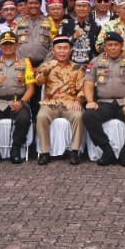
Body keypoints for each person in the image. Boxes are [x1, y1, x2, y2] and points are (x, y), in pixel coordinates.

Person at [83, 31, 125, 168]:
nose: (112, 48)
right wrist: (90, 101)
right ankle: (107, 150)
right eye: (109, 45)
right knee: (88, 115)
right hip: (104, 104)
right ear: (105, 46)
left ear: (121, 45)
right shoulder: (95, 61)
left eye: (115, 45)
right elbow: (87, 85)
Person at [0, 32, 36, 164]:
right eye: (5, 44)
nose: (8, 47)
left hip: (17, 100)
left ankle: (15, 149)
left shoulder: (25, 63)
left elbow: (31, 88)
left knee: (24, 118)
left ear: (16, 45)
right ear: (0, 46)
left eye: (11, 43)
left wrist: (22, 102)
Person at [34, 35, 87, 165]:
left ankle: (75, 151)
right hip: (51, 103)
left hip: (70, 102)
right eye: (59, 48)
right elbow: (38, 82)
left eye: (65, 48)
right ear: (53, 50)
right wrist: (46, 68)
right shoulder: (47, 65)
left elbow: (82, 88)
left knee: (79, 116)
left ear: (71, 50)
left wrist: (79, 101)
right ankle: (45, 152)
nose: (62, 51)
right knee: (41, 116)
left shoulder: (78, 68)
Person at [12, 0, 52, 66]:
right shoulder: (18, 22)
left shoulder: (49, 22)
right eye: (30, 3)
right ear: (26, 5)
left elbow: (53, 46)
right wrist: (21, 63)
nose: (33, 6)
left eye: (36, 3)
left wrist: (44, 65)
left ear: (40, 5)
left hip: (44, 65)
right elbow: (12, 43)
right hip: (21, 65)